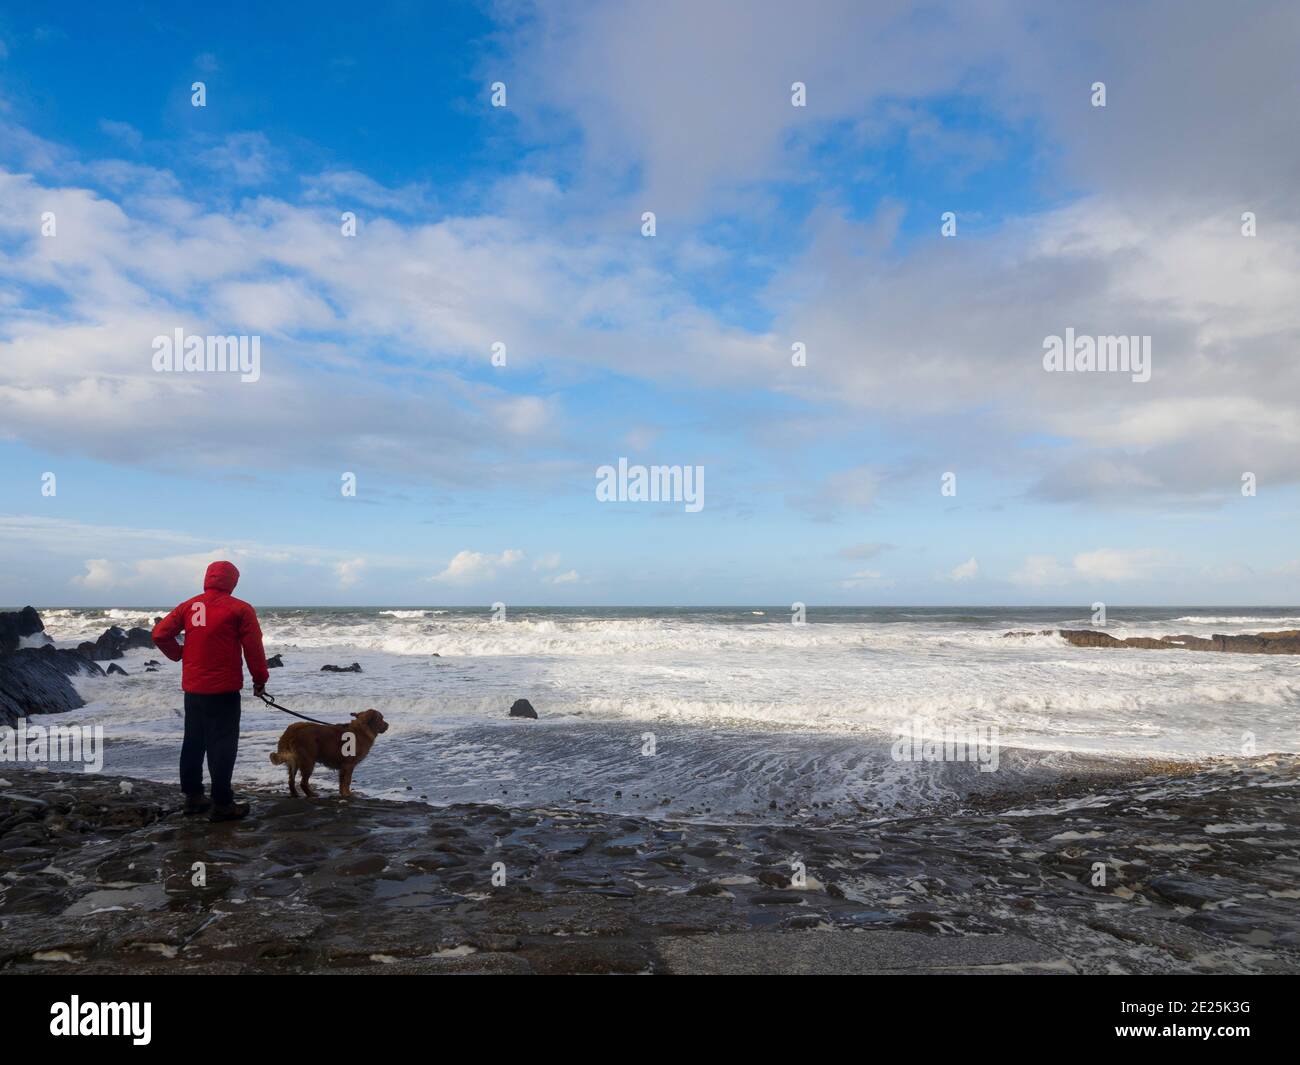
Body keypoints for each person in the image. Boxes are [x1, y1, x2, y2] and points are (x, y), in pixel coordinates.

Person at [152, 561, 269, 821]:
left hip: (193, 689)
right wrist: (259, 679)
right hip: (224, 690)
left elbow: (160, 634)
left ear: (208, 578)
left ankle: (193, 798)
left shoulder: (189, 605)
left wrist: (179, 654)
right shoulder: (240, 608)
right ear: (232, 581)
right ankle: (223, 804)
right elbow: (253, 649)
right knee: (222, 745)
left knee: (193, 741)